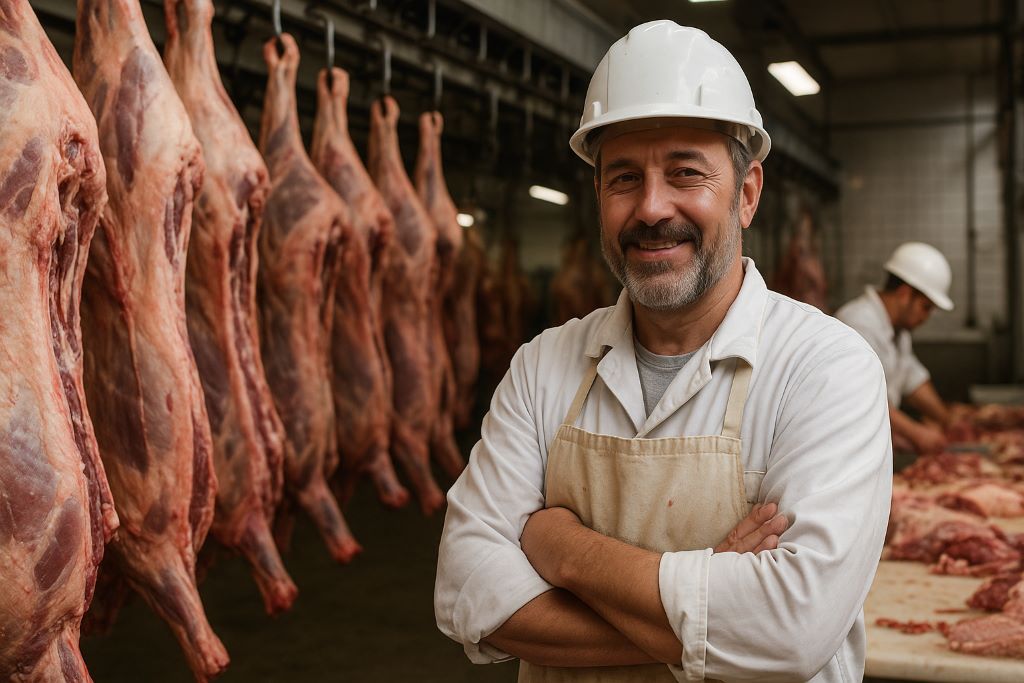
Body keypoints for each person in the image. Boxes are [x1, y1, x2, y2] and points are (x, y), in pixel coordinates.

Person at [434, 20, 892, 682]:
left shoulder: (826, 367)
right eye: (623, 177)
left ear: (748, 194)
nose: (651, 208)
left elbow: (793, 629)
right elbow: (466, 590)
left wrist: (561, 548)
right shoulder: (542, 365)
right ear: (598, 195)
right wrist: (710, 598)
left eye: (686, 172)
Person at [835, 242, 954, 455]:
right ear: (904, 294)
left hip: (870, 442)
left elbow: (912, 379)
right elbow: (864, 396)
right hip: (846, 449)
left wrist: (946, 419)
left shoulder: (898, 331)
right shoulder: (859, 322)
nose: (926, 317)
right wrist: (918, 433)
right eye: (925, 308)